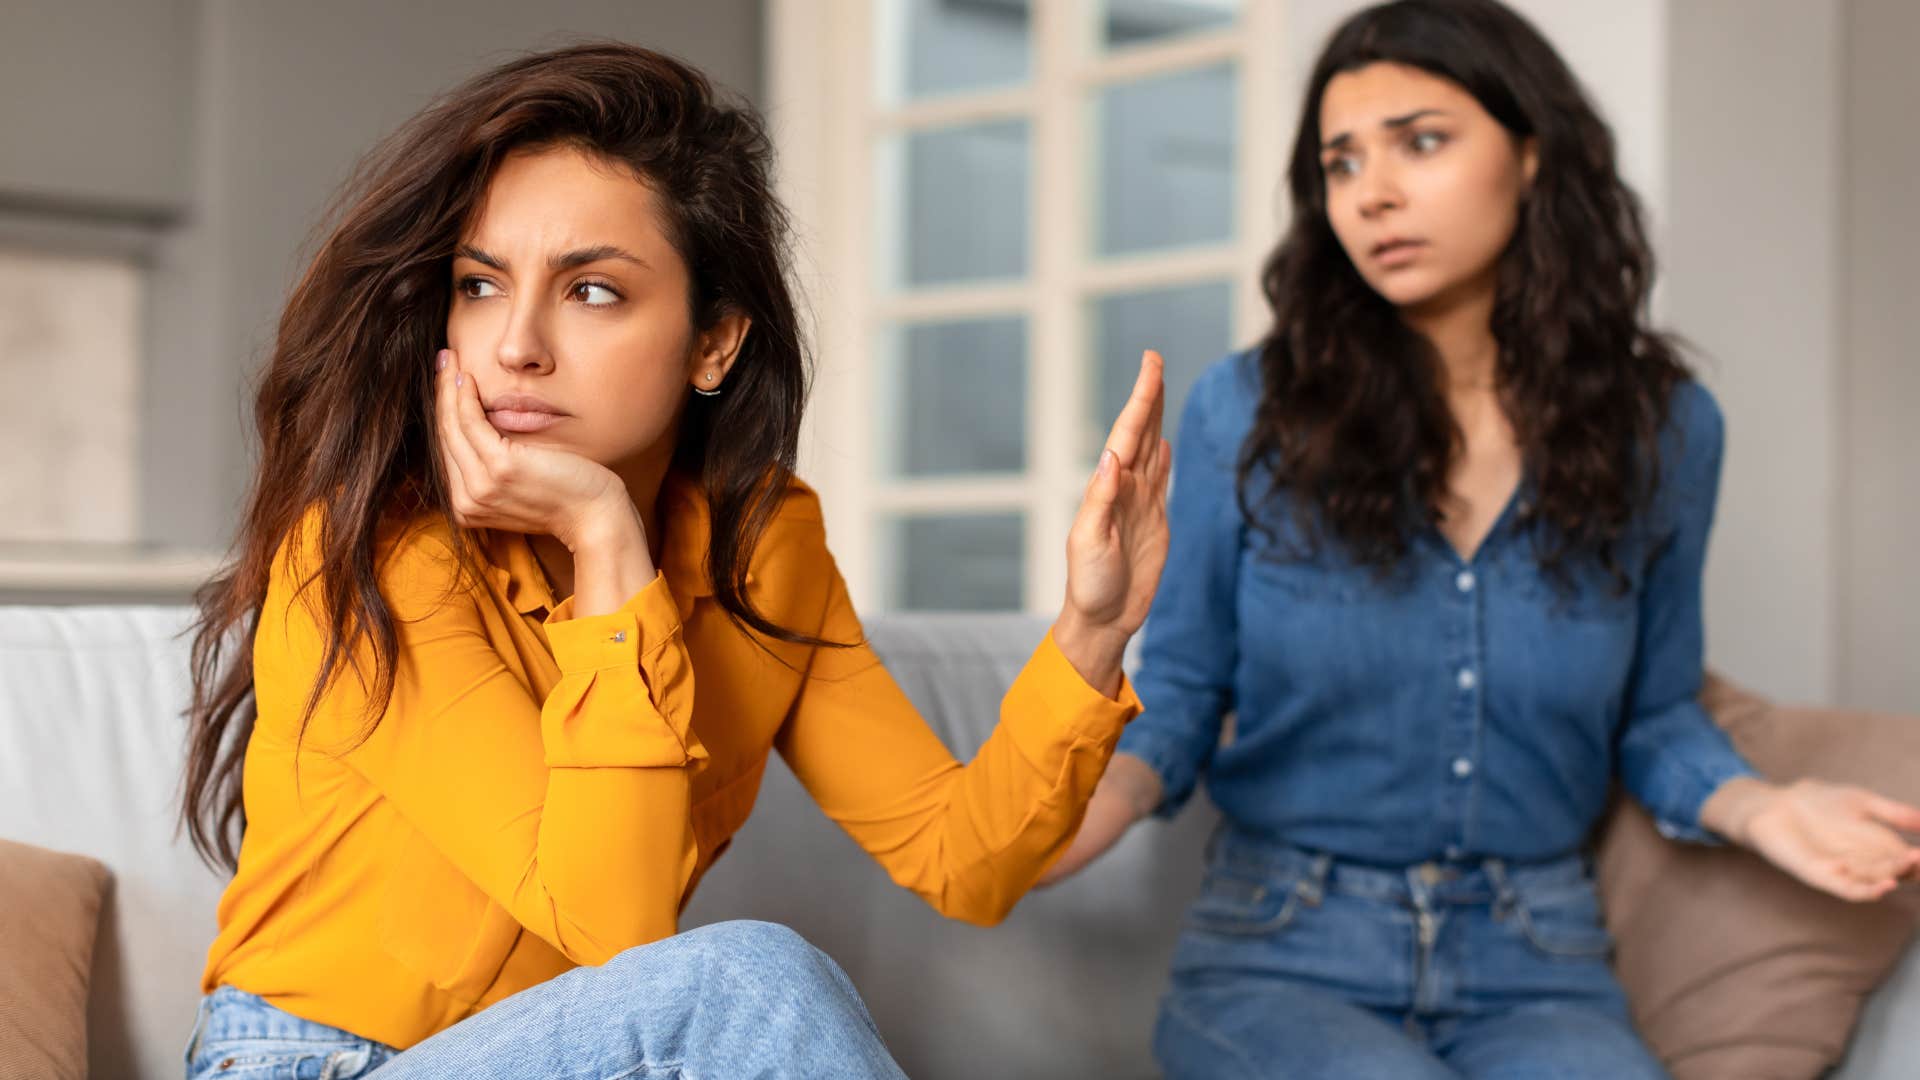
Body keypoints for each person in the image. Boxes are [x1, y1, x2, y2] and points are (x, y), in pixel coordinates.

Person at [177, 42, 1172, 1079]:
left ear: (714, 345)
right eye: (479, 285)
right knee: (743, 980)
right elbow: (615, 936)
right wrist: (609, 544)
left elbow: (964, 859)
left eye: (593, 293)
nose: (516, 344)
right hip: (313, 1063)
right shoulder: (373, 561)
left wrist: (1096, 628)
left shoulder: (760, 547)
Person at [1039, 2, 1920, 1077]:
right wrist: (1068, 818)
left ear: (1533, 154)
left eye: (1422, 140)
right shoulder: (1248, 410)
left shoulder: (1668, 431)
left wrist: (1762, 809)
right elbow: (1177, 694)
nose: (1375, 192)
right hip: (1281, 957)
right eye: (1341, 162)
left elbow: (1654, 712)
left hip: (1542, 961)